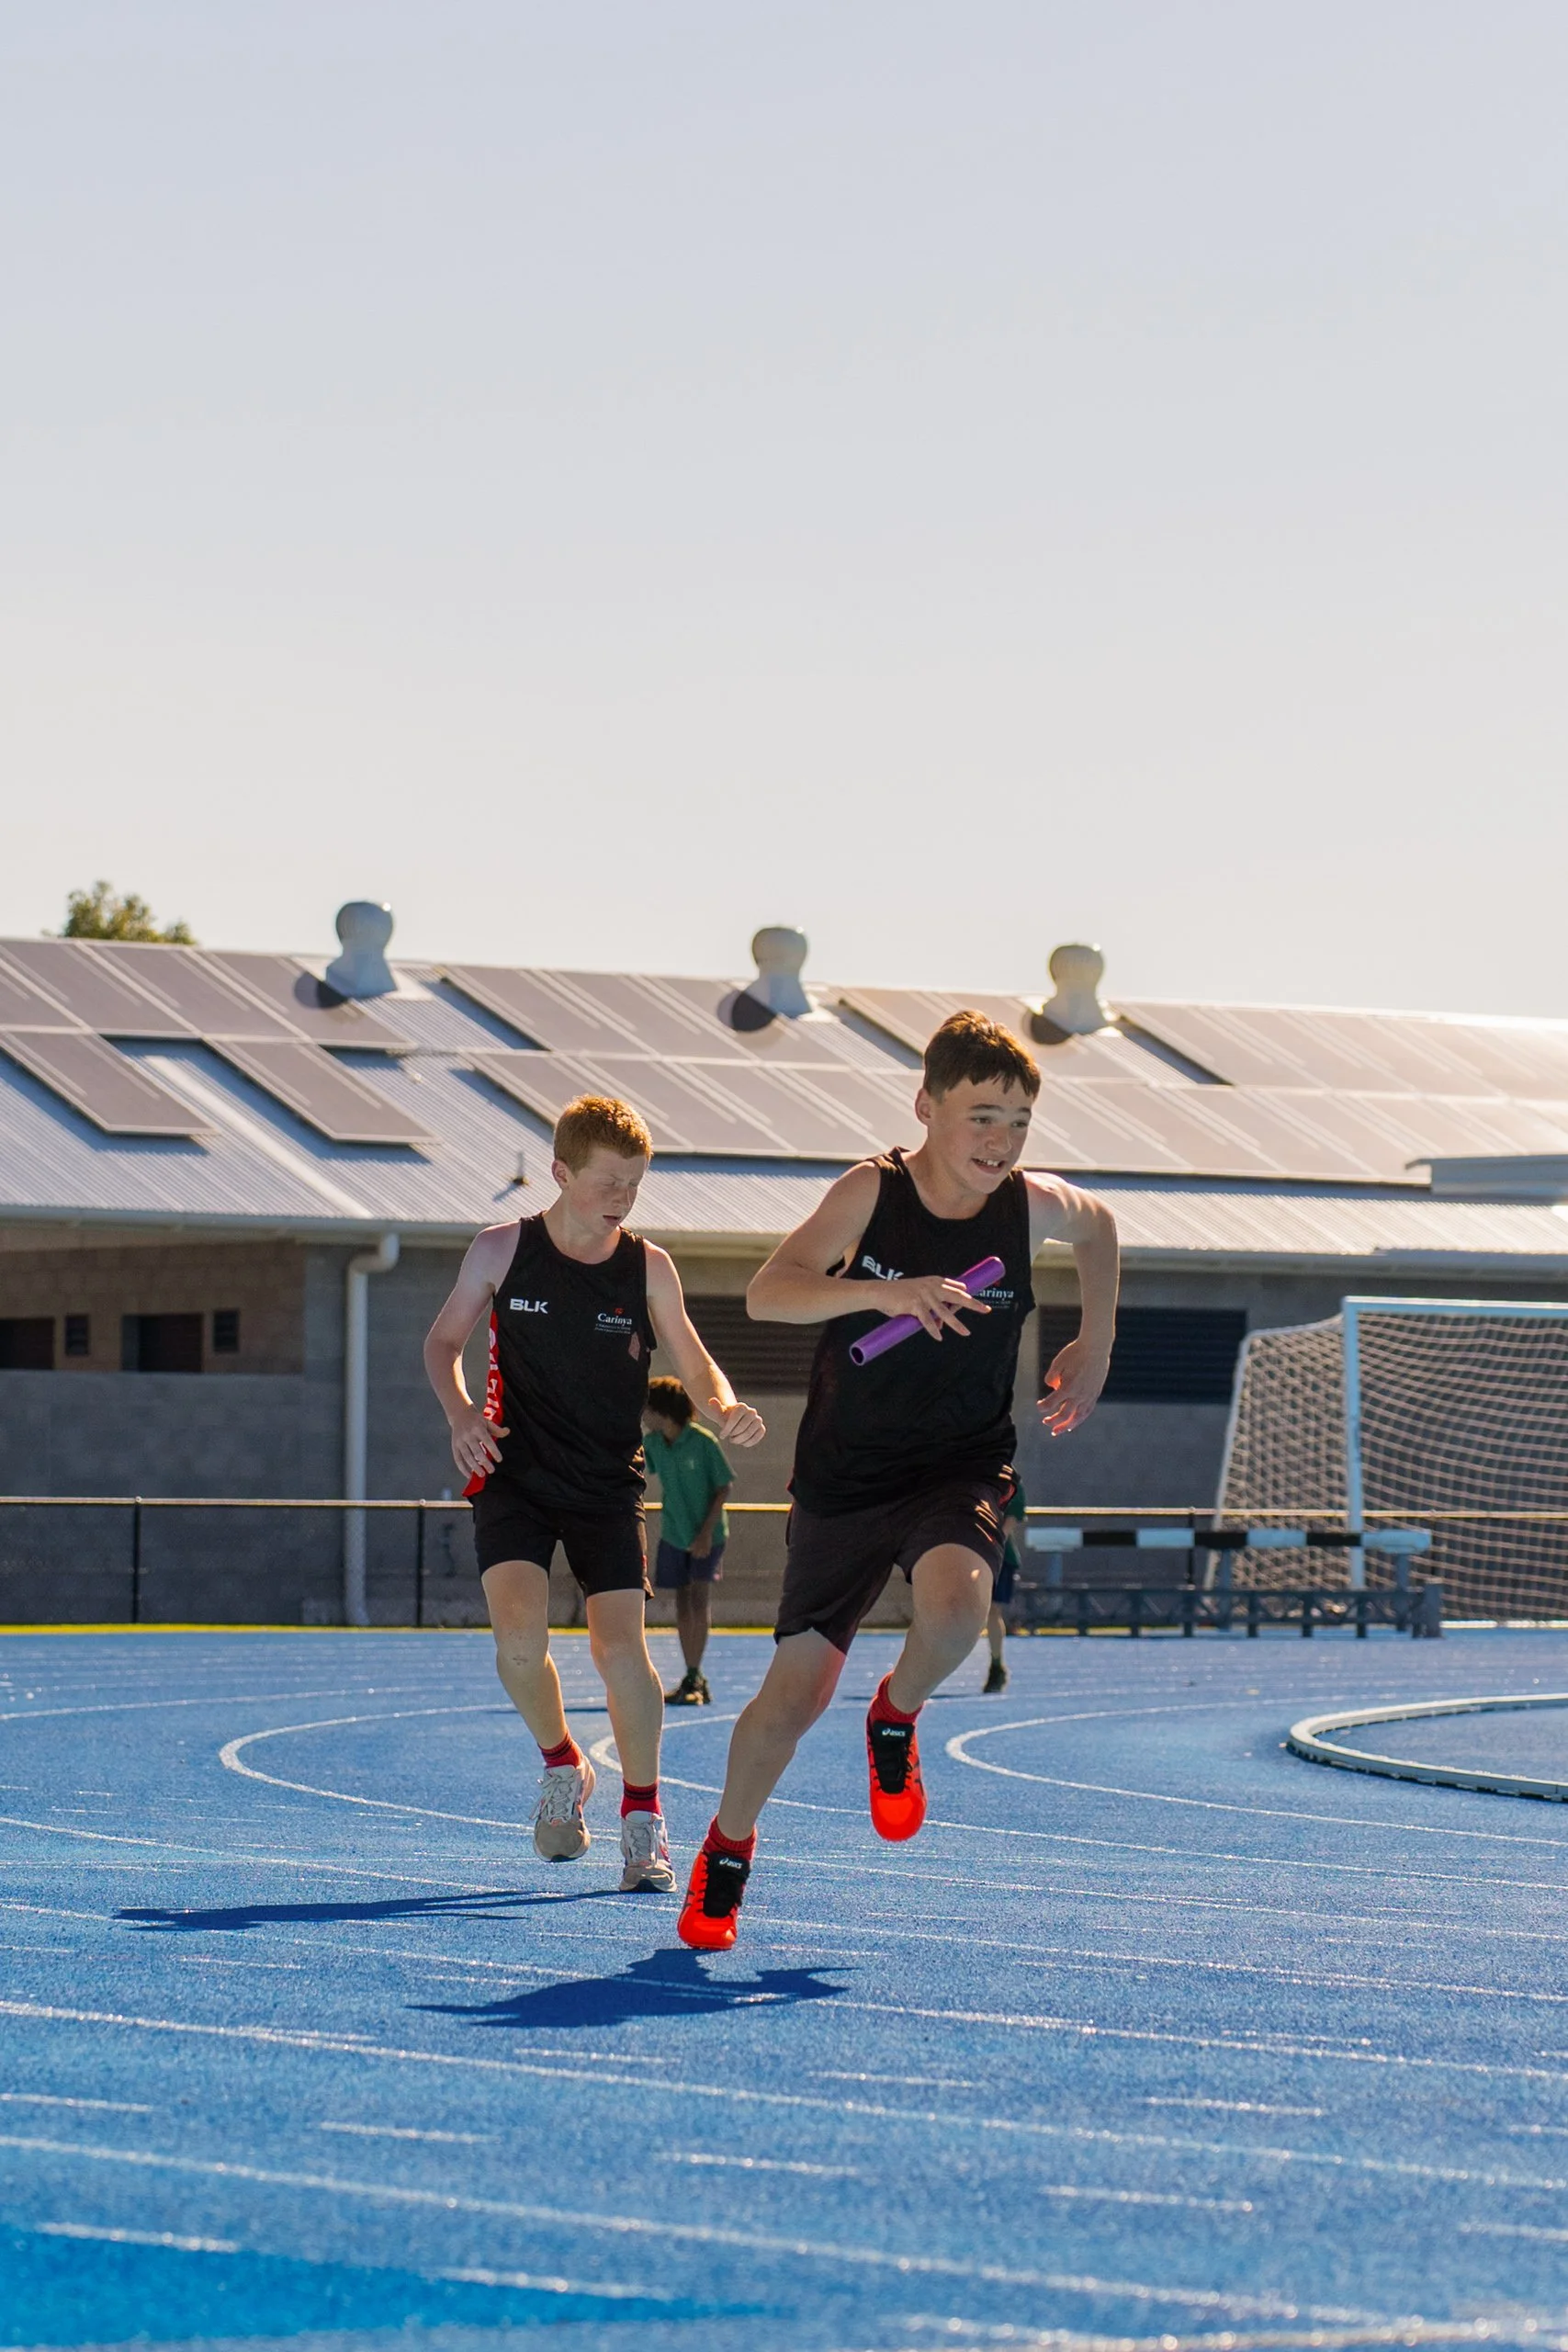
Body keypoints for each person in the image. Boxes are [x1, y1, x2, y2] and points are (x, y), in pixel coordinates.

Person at [677, 1011, 1118, 1950]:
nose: (1000, 1142)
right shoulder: (870, 1194)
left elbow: (1102, 1226)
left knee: (959, 1610)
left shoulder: (1030, 1204)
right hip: (843, 1479)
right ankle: (727, 1850)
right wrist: (884, 1290)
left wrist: (1097, 1339)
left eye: (1018, 1121)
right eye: (980, 1117)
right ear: (926, 1106)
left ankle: (895, 1713)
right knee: (791, 1697)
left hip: (958, 1463)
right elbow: (768, 1290)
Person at [423, 1094, 764, 1894]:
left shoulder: (647, 1265)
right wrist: (462, 1414)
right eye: (608, 1181)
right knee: (516, 1643)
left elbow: (692, 1353)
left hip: (608, 1482)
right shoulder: (502, 1249)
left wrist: (723, 1406)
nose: (621, 1198)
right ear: (561, 1172)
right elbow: (443, 1342)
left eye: (634, 1184)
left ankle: (642, 1818)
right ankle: (562, 1765)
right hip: (512, 1472)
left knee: (620, 1651)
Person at [643, 1377, 734, 1706]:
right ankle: (691, 1673)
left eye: (647, 1408)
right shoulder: (653, 1443)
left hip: (706, 1535)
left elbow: (723, 1486)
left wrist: (706, 1533)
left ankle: (695, 1673)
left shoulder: (703, 1442)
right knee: (682, 1601)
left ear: (661, 1411)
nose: (644, 1415)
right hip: (674, 1533)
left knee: (698, 1598)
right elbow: (638, 1468)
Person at [984, 1476, 1027, 1692]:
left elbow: (1009, 1523)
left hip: (997, 1557)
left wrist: (987, 1545)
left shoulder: (1011, 1481)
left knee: (992, 1610)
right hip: (964, 1555)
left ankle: (996, 1665)